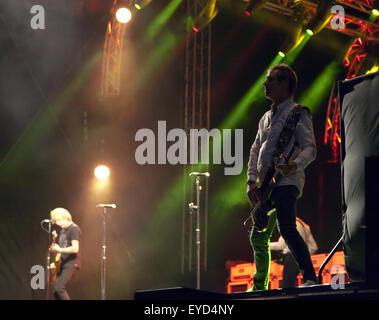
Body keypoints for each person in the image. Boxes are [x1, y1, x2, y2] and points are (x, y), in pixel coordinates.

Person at [246, 63, 317, 290]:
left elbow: (310, 149)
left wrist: (294, 165)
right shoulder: (265, 118)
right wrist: (250, 181)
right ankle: (261, 285)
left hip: (287, 181)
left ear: (286, 84)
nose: (265, 83)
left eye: (272, 80)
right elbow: (255, 149)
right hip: (266, 185)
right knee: (258, 236)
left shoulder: (298, 113)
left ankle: (310, 278)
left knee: (287, 228)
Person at [270, 217, 318, 288]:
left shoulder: (288, 224)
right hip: (303, 258)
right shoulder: (304, 225)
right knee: (308, 283)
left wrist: (264, 244)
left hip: (291, 258)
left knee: (287, 286)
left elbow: (280, 245)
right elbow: (314, 247)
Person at [49, 207, 81, 300]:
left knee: (59, 289)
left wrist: (59, 250)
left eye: (59, 221)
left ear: (65, 218)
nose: (58, 224)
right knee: (55, 291)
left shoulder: (74, 229)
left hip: (72, 263)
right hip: (63, 262)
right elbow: (62, 248)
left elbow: (75, 248)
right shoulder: (63, 230)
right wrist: (55, 262)